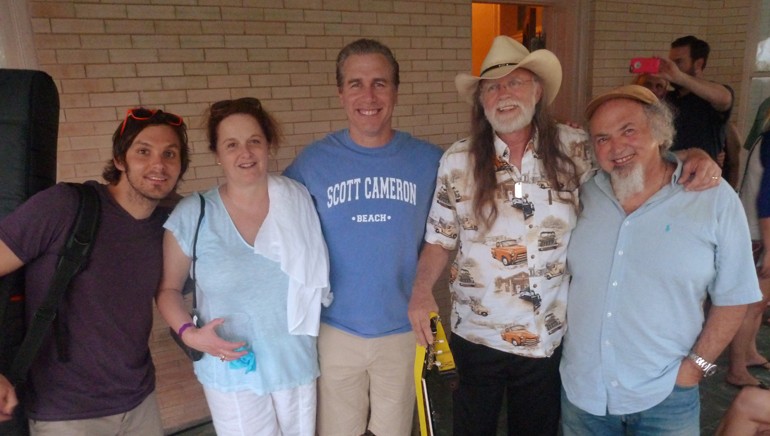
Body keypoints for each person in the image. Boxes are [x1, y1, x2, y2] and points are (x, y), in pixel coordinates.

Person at [407, 36, 721, 436]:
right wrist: (420, 292)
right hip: (477, 334)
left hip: (548, 337)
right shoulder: (457, 160)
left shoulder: (575, 148)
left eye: (515, 82)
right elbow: (440, 238)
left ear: (537, 91)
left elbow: (631, 157)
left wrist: (689, 154)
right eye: (492, 87)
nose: (503, 94)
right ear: (482, 103)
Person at [560, 85, 761, 435]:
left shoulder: (712, 198)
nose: (616, 147)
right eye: (602, 138)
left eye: (629, 130)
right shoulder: (579, 193)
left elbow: (736, 296)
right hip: (583, 393)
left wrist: (696, 368)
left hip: (666, 395)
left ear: (659, 131)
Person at [283, 39, 444, 436]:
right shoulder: (312, 163)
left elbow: (451, 230)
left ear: (396, 91)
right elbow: (273, 222)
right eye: (355, 84)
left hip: (405, 328)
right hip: (337, 329)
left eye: (380, 83)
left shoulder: (430, 161)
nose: (368, 96)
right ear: (340, 93)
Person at [0, 107, 190, 435]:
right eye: (143, 151)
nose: (158, 165)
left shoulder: (169, 226)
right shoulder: (63, 206)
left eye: (169, 154)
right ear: (119, 159)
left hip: (139, 402)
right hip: (65, 414)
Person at [156, 97, 329, 436]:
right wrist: (190, 336)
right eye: (231, 145)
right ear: (217, 154)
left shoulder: (299, 201)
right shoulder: (194, 214)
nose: (245, 153)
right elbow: (168, 290)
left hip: (294, 363)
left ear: (268, 145)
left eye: (254, 141)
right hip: (230, 369)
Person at [727, 108, 770, 389]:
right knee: (752, 306)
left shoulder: (764, 137)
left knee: (759, 304)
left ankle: (750, 352)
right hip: (759, 235)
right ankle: (737, 369)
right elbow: (767, 198)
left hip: (755, 232)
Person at [658, 35, 734, 162]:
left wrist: (679, 77)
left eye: (678, 62)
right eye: (671, 62)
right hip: (672, 175)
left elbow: (725, 98)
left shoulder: (711, 96)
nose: (673, 68)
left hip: (708, 177)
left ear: (698, 64)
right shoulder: (669, 98)